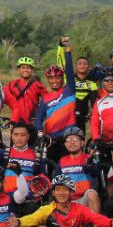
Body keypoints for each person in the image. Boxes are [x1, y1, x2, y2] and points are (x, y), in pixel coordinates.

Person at [34, 37, 77, 165]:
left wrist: (67, 53)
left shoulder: (69, 90)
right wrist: (39, 131)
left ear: (61, 79)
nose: (54, 81)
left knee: (68, 167)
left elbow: (69, 71)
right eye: (51, 78)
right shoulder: (45, 98)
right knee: (50, 167)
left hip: (68, 138)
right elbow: (38, 117)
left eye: (57, 78)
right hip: (50, 139)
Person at [53, 127, 102, 212]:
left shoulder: (88, 158)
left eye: (75, 139)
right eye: (68, 140)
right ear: (65, 144)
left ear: (82, 143)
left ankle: (96, 224)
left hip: (84, 199)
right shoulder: (61, 161)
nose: (72, 142)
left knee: (92, 194)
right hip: (67, 201)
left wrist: (90, 164)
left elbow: (95, 173)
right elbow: (55, 181)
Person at [5, 56, 45, 126]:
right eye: (23, 67)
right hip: (17, 120)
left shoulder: (38, 85)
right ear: (19, 70)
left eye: (28, 68)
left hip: (33, 121)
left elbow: (47, 100)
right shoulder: (12, 84)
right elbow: (2, 97)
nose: (25, 70)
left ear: (32, 70)